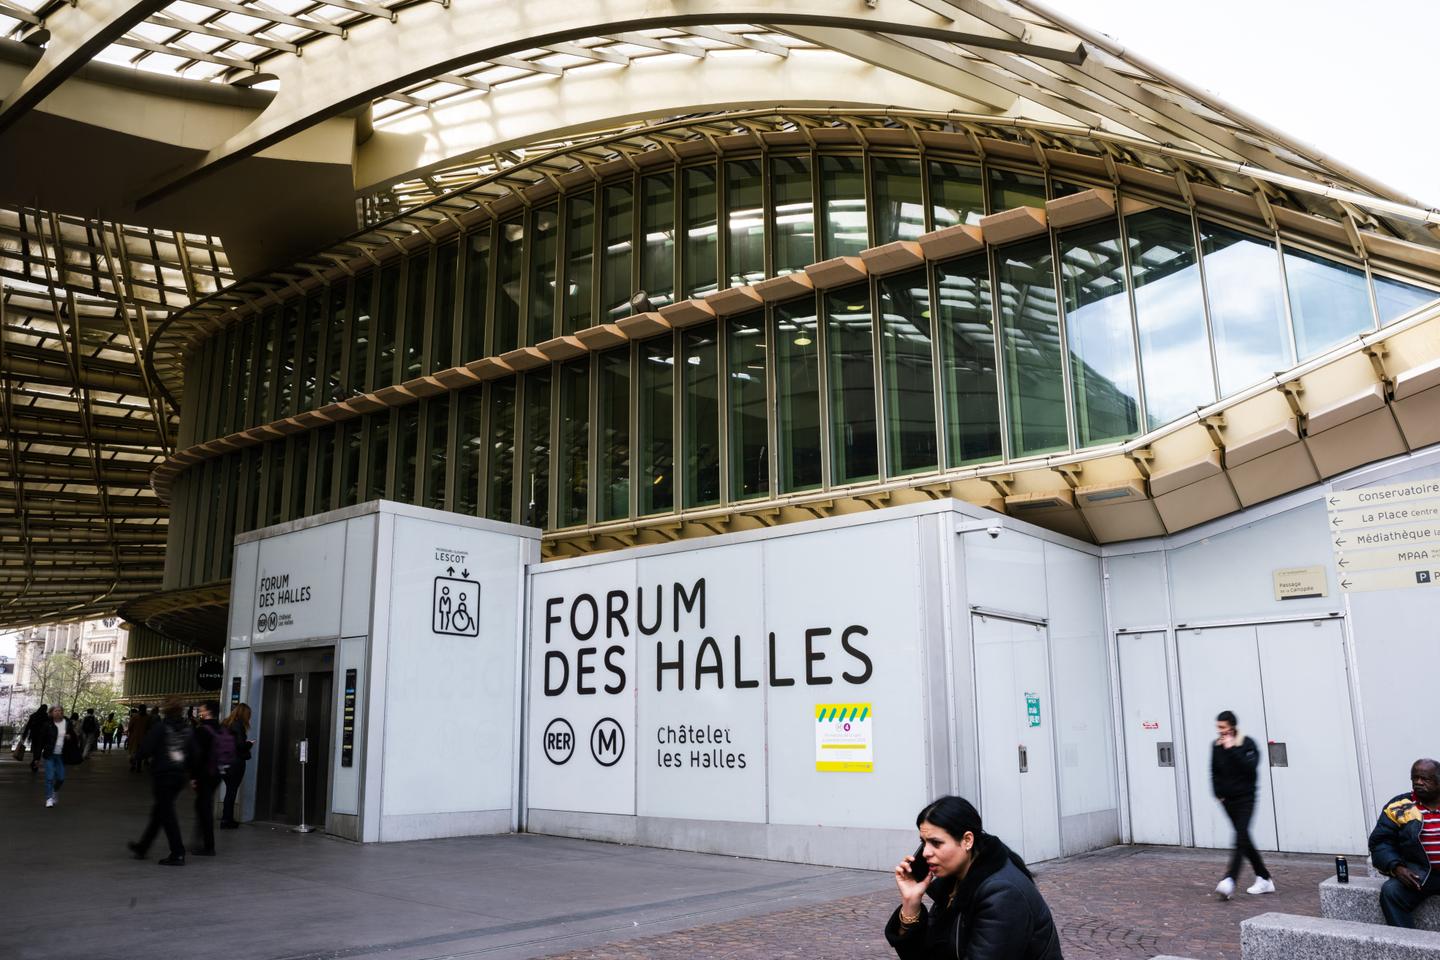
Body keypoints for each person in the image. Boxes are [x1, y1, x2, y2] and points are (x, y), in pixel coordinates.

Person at [887, 796, 1063, 959]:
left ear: (967, 840)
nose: (926, 852)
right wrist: (911, 903)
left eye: (936, 843)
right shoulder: (954, 881)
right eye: (923, 842)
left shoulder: (1002, 894)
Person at [1369, 758, 1440, 928]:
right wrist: (1397, 868)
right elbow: (1380, 842)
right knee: (1391, 892)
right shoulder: (1400, 806)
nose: (1418, 783)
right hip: (1420, 875)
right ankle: (1410, 945)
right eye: (1415, 778)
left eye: (1425, 779)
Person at [1210, 710, 1274, 898]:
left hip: (1246, 799)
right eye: (1218, 727)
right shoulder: (1216, 746)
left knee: (1239, 838)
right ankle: (1264, 877)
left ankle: (1229, 880)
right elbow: (1213, 771)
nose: (1220, 731)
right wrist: (1218, 793)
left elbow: (1250, 769)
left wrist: (1232, 749)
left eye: (1222, 727)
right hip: (1227, 800)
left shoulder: (1247, 743)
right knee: (1243, 837)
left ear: (1232, 726)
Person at [129, 699, 193, 866]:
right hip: (179, 776)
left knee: (166, 814)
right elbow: (195, 753)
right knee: (160, 812)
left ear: (166, 711)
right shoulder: (187, 730)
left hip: (163, 775)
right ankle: (143, 847)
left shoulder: (161, 727)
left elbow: (146, 747)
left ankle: (178, 853)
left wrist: (136, 757)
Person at [189, 700, 224, 856]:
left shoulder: (202, 730)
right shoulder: (222, 728)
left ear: (208, 712)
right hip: (217, 773)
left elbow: (196, 756)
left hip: (204, 774)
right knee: (202, 806)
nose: (199, 712)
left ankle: (208, 846)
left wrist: (193, 776)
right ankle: (199, 841)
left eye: (201, 710)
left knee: (204, 808)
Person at [35, 706, 78, 808]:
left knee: (61, 778)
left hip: (61, 755)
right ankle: (49, 798)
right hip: (49, 754)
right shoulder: (47, 725)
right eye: (56, 711)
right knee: (49, 777)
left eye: (60, 711)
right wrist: (37, 757)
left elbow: (74, 738)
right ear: (51, 713)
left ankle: (54, 791)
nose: (58, 713)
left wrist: (69, 737)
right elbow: (40, 741)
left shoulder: (67, 723)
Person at [219, 703, 253, 829]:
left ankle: (226, 818)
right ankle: (227, 820)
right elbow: (240, 745)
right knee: (232, 791)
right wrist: (249, 744)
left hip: (224, 762)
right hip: (235, 763)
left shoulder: (225, 724)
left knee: (229, 790)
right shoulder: (238, 726)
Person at [22, 704, 48, 774]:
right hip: (42, 738)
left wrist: (24, 736)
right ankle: (34, 764)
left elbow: (28, 727)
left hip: (34, 736)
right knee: (38, 751)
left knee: (36, 751)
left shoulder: (34, 716)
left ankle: (34, 763)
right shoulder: (46, 717)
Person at [127, 707, 150, 772]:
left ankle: (133, 765)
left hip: (135, 737)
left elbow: (130, 727)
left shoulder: (134, 717)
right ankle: (138, 767)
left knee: (133, 752)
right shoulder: (147, 717)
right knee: (140, 752)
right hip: (143, 738)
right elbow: (149, 728)